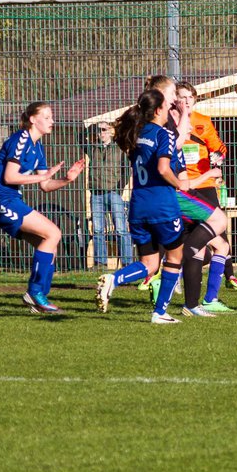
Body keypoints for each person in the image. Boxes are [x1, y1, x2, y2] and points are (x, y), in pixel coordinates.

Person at [94, 82, 190, 323]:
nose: (170, 110)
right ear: (158, 110)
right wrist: (180, 184)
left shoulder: (136, 135)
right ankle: (159, 313)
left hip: (137, 208)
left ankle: (114, 279)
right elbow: (163, 168)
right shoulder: (163, 134)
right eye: (167, 106)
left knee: (148, 264)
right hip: (162, 207)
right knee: (175, 258)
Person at [0, 101, 86, 314]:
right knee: (53, 233)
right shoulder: (20, 139)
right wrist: (45, 174)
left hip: (12, 200)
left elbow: (45, 186)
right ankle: (35, 293)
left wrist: (66, 179)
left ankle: (39, 298)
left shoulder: (38, 147)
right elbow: (10, 176)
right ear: (33, 120)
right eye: (47, 117)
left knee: (48, 241)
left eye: (52, 117)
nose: (52, 121)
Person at [170, 81, 234, 315]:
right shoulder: (169, 124)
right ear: (173, 99)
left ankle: (207, 296)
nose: (186, 101)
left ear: (195, 99)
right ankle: (172, 272)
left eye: (190, 97)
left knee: (220, 243)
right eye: (181, 97)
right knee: (197, 245)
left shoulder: (203, 121)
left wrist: (217, 157)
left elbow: (220, 148)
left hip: (203, 187)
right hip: (183, 188)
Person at [85, 121, 133, 269]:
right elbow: (80, 137)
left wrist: (119, 188)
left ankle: (127, 263)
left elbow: (126, 169)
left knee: (120, 229)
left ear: (110, 131)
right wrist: (91, 127)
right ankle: (100, 262)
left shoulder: (119, 148)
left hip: (114, 192)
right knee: (98, 229)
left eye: (104, 129)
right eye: (98, 130)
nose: (101, 133)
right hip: (97, 193)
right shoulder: (92, 148)